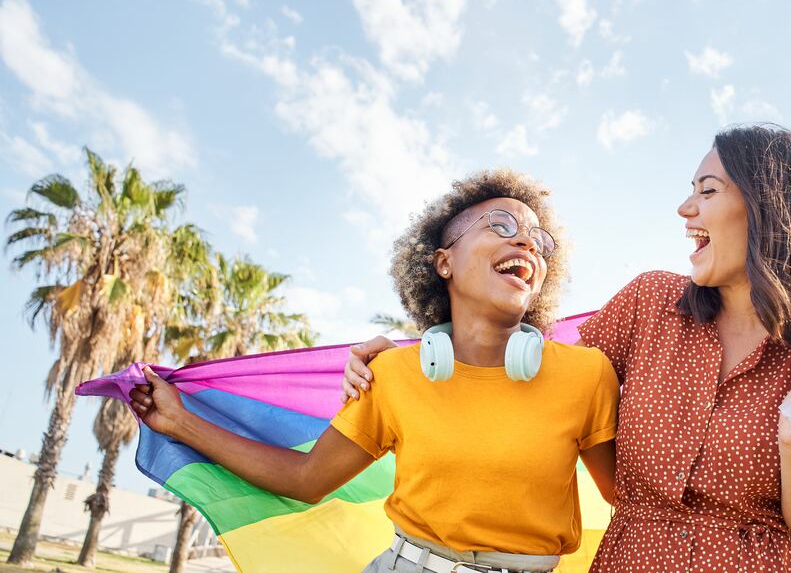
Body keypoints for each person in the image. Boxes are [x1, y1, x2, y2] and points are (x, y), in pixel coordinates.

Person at [345, 125, 791, 572]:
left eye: (708, 190)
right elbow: (529, 369)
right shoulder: (649, 304)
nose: (685, 208)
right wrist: (415, 354)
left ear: (767, 204)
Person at [131, 169, 619, 573]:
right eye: (502, 225)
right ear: (443, 262)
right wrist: (178, 422)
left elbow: (633, 500)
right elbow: (306, 479)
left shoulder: (587, 374)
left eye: (539, 240)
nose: (528, 245)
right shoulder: (391, 373)